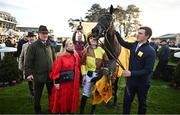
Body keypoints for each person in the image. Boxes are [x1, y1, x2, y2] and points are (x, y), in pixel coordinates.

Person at [115, 26, 156, 114]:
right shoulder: (134, 45)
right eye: (138, 33)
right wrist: (115, 32)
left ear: (147, 36)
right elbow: (122, 42)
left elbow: (148, 70)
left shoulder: (151, 51)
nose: (137, 35)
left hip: (142, 83)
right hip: (130, 82)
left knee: (142, 104)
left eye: (140, 33)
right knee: (126, 102)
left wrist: (131, 73)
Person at [25, 25, 56, 114]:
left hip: (50, 75)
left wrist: (55, 71)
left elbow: (54, 59)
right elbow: (28, 61)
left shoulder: (50, 45)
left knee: (51, 94)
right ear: (39, 34)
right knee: (37, 95)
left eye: (46, 33)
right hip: (38, 75)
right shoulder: (33, 46)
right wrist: (29, 73)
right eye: (43, 33)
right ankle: (37, 110)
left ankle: (51, 108)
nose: (45, 35)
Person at [49, 38, 80, 114]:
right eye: (70, 43)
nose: (72, 44)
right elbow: (55, 70)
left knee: (71, 98)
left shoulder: (76, 56)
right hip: (63, 84)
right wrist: (56, 82)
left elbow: (79, 66)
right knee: (63, 99)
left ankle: (70, 111)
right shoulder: (60, 58)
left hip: (73, 83)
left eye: (72, 43)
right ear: (65, 47)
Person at [79, 33, 109, 114]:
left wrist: (103, 72)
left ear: (97, 40)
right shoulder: (85, 50)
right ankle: (81, 111)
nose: (93, 40)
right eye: (91, 38)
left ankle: (92, 112)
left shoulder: (102, 51)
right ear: (89, 40)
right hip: (88, 74)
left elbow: (106, 63)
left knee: (96, 93)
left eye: (94, 38)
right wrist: (84, 75)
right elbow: (83, 64)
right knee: (85, 93)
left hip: (98, 75)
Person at [19, 32, 36, 97]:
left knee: (36, 80)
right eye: (30, 37)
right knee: (30, 80)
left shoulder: (37, 45)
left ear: (34, 37)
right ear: (27, 38)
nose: (31, 38)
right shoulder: (24, 45)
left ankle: (36, 93)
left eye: (32, 37)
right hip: (28, 66)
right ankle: (32, 93)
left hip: (36, 65)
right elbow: (21, 56)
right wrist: (20, 65)